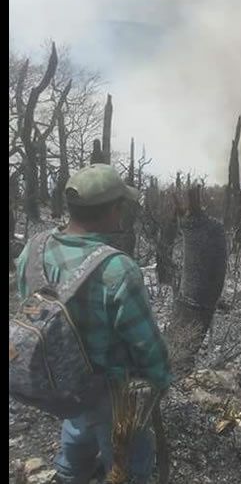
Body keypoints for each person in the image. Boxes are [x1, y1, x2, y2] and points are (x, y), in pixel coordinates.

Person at [14, 164, 172, 484]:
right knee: (129, 467)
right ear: (113, 210)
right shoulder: (118, 269)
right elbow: (144, 343)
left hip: (62, 386)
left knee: (75, 451)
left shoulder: (33, 249)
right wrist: (161, 380)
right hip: (112, 395)